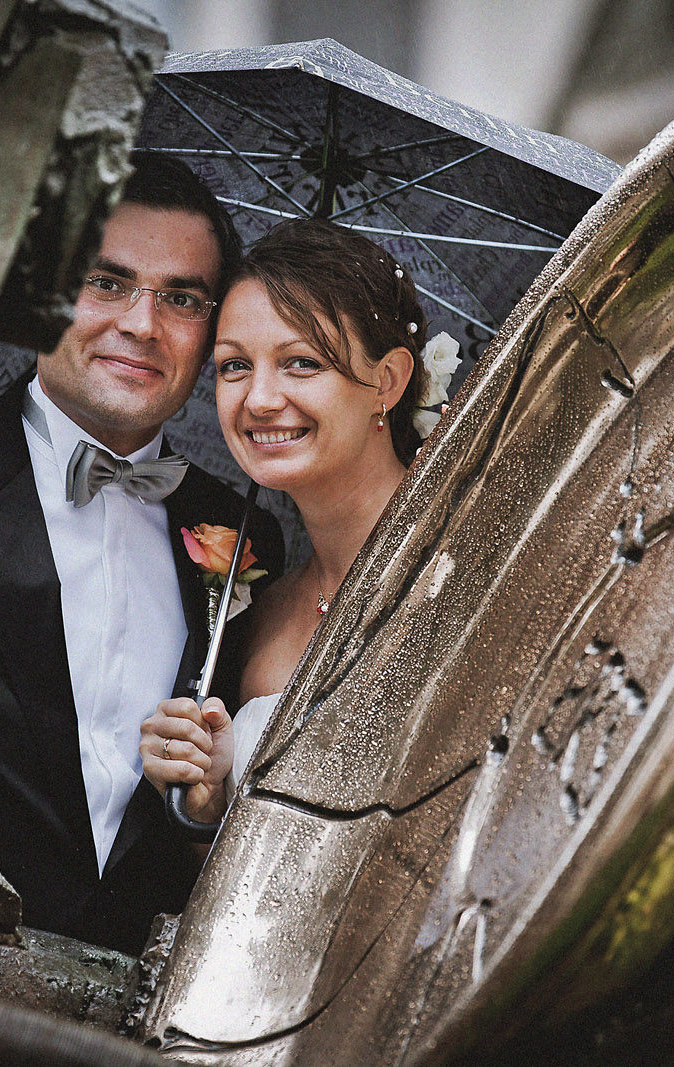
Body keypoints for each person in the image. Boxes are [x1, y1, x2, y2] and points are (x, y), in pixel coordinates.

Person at [0, 151, 285, 954]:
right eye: (107, 282)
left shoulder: (244, 530)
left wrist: (196, 800)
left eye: (183, 298)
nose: (142, 324)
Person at [140, 217, 455, 826]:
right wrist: (203, 807)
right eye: (234, 365)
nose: (258, 399)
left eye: (301, 363)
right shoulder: (259, 605)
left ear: (387, 382)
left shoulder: (461, 570)